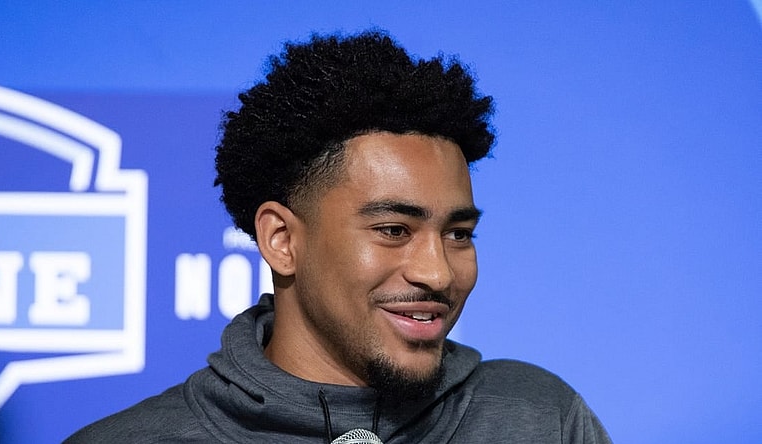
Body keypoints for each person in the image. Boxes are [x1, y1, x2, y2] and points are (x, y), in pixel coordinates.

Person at [66, 30, 612, 443]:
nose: (439, 272)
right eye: (394, 230)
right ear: (281, 240)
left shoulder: (542, 420)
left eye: (458, 233)